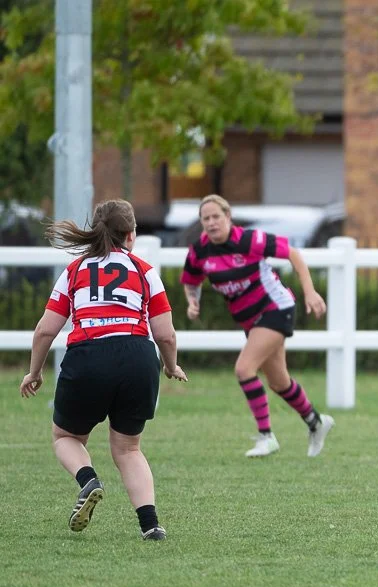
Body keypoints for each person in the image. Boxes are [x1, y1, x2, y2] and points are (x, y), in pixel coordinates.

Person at [20, 200, 188, 540]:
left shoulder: (75, 271)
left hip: (89, 355)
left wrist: (34, 372)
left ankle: (88, 481)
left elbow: (45, 330)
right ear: (130, 235)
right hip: (139, 357)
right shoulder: (143, 270)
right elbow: (166, 335)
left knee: (66, 436)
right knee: (128, 448)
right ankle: (151, 526)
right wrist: (170, 366)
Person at [182, 195, 334, 458]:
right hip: (251, 321)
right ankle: (316, 422)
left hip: (277, 308)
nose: (211, 223)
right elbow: (191, 280)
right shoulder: (199, 251)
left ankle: (266, 436)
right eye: (205, 219)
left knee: (244, 369)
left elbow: (293, 254)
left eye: (216, 216)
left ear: (228, 217)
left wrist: (310, 292)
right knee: (279, 381)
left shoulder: (248, 240)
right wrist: (192, 301)